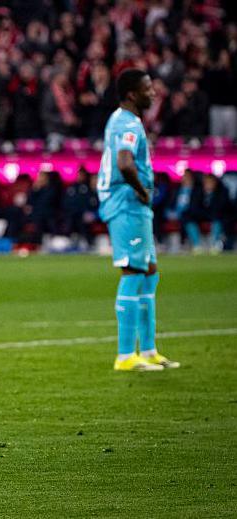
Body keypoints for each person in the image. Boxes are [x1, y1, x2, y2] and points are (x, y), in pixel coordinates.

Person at [96, 69, 179, 372]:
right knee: (133, 272)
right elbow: (124, 162)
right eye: (147, 88)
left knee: (149, 272)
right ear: (132, 94)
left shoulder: (128, 120)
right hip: (126, 203)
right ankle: (125, 355)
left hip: (134, 205)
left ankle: (148, 350)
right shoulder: (126, 123)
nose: (153, 92)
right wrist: (143, 191)